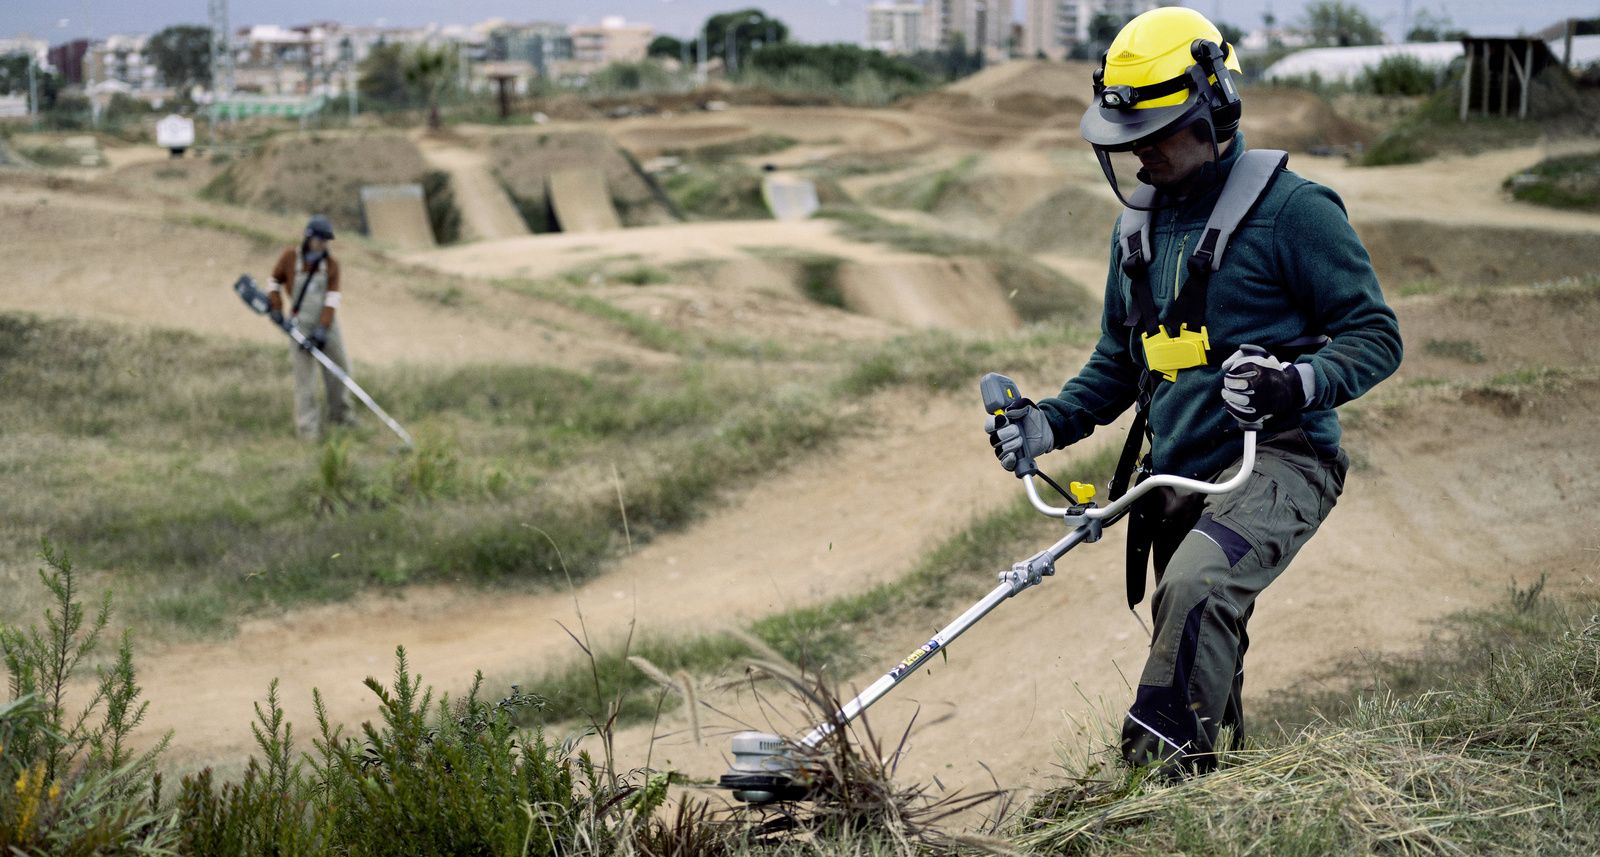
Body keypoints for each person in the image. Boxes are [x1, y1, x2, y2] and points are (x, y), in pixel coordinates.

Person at [985, 7, 1401, 777]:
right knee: (1199, 635)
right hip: (1180, 474)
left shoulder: (1295, 213)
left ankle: (1153, 790)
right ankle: (1221, 795)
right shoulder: (1136, 229)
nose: (1140, 154)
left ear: (1214, 105)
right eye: (1128, 138)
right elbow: (1119, 360)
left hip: (1280, 457)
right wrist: (1047, 424)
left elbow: (1376, 336)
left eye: (1158, 132)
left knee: (1201, 583)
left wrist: (1297, 381)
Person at [267, 214, 355, 439]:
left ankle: (341, 417)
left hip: (327, 326)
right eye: (319, 239)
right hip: (300, 325)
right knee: (305, 380)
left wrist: (323, 328)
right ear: (308, 238)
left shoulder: (331, 264)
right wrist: (276, 308)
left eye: (326, 240)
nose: (322, 244)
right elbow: (273, 281)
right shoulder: (289, 257)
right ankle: (308, 430)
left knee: (340, 368)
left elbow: (332, 297)